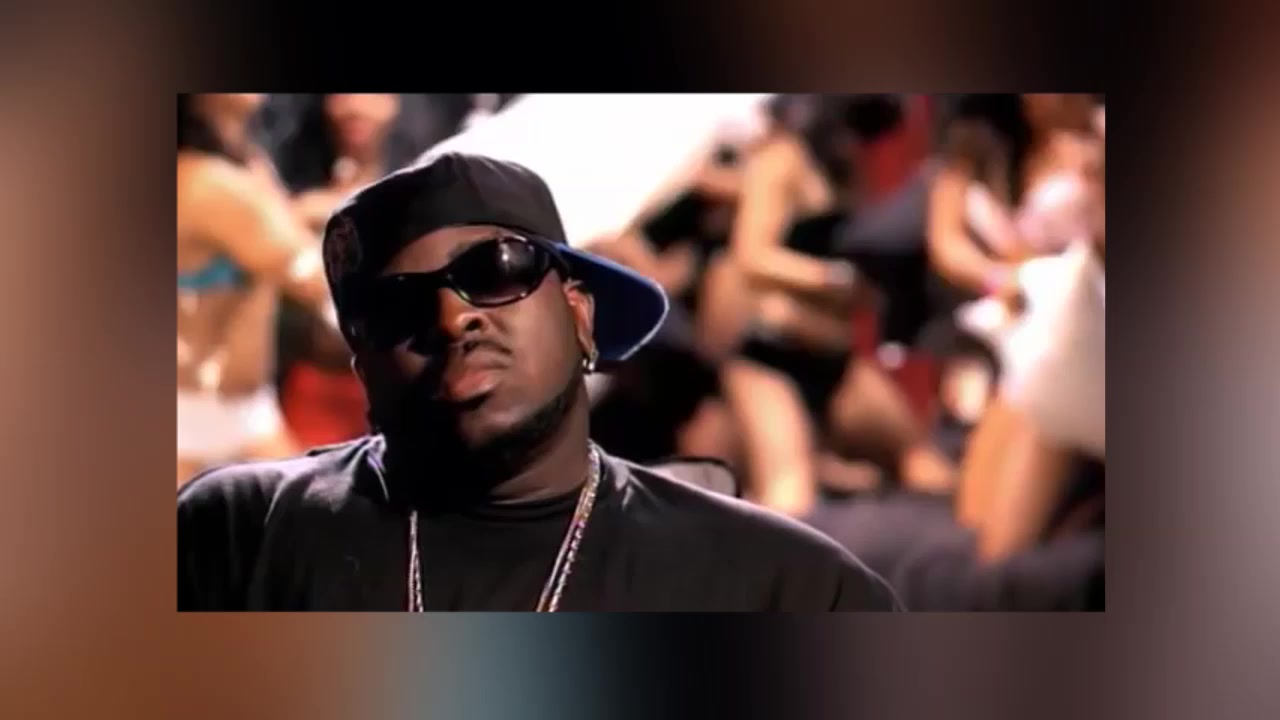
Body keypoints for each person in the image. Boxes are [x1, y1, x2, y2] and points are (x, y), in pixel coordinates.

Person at [178, 151, 902, 612]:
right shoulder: (237, 534)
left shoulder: (786, 587)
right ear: (362, 364)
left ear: (581, 316)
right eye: (399, 304)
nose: (453, 317)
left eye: (495, 270)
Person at [699, 94, 923, 517]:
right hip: (770, 354)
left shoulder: (849, 171)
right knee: (789, 495)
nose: (856, 145)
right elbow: (753, 255)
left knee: (918, 458)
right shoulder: (783, 160)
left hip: (832, 357)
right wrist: (833, 280)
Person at [176, 94, 340, 488]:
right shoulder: (209, 181)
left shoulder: (244, 165)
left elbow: (264, 233)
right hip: (187, 414)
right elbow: (311, 273)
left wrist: (309, 208)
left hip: (244, 412)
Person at [273, 94, 409, 449]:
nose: (354, 107)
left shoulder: (421, 183)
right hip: (315, 380)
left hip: (400, 385)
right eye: (342, 95)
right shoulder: (287, 184)